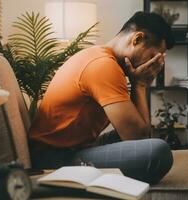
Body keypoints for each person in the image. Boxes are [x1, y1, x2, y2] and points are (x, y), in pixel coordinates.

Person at [29, 12, 175, 184]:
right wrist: (140, 84)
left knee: (146, 141)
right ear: (137, 39)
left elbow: (141, 133)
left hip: (78, 146)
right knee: (158, 151)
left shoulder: (100, 57)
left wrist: (138, 82)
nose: (155, 65)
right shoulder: (103, 65)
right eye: (153, 57)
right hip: (54, 158)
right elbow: (137, 138)